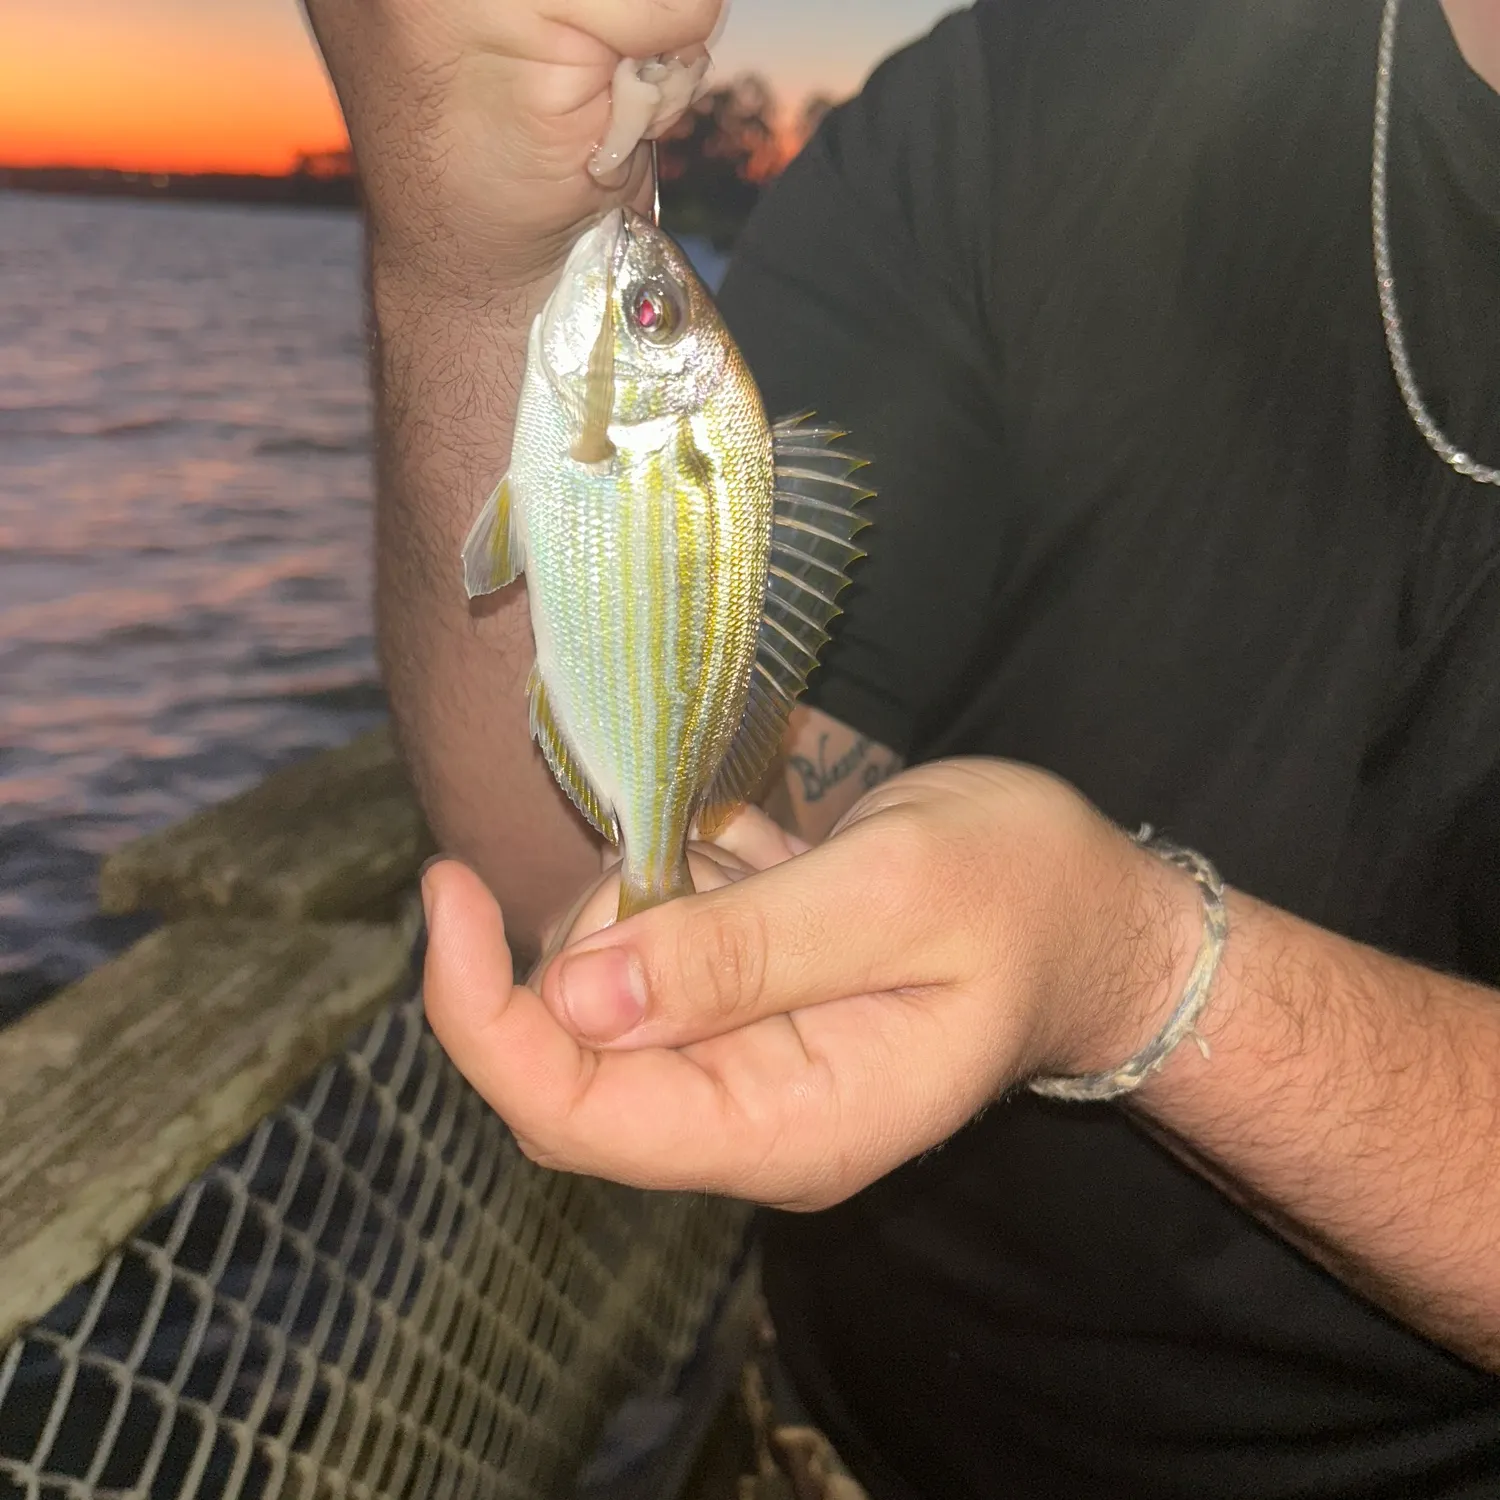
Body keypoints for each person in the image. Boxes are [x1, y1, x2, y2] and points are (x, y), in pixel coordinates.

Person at [303, 0, 1500, 1493]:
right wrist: (468, 259)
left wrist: (1133, 970)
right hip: (817, 1435)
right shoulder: (1017, 94)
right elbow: (566, 879)